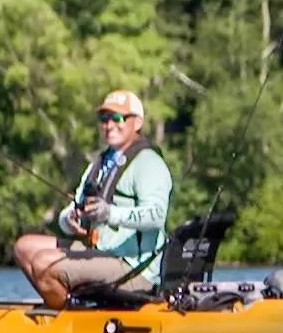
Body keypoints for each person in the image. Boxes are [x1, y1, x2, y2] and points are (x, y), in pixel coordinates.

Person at [13, 89, 174, 309]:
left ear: (136, 123)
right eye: (104, 118)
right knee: (24, 247)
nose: (109, 125)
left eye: (117, 118)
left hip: (134, 268)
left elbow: (156, 216)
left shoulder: (149, 163)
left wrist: (109, 213)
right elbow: (70, 210)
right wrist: (69, 219)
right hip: (99, 252)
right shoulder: (99, 163)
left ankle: (69, 323)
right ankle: (63, 305)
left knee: (43, 263)